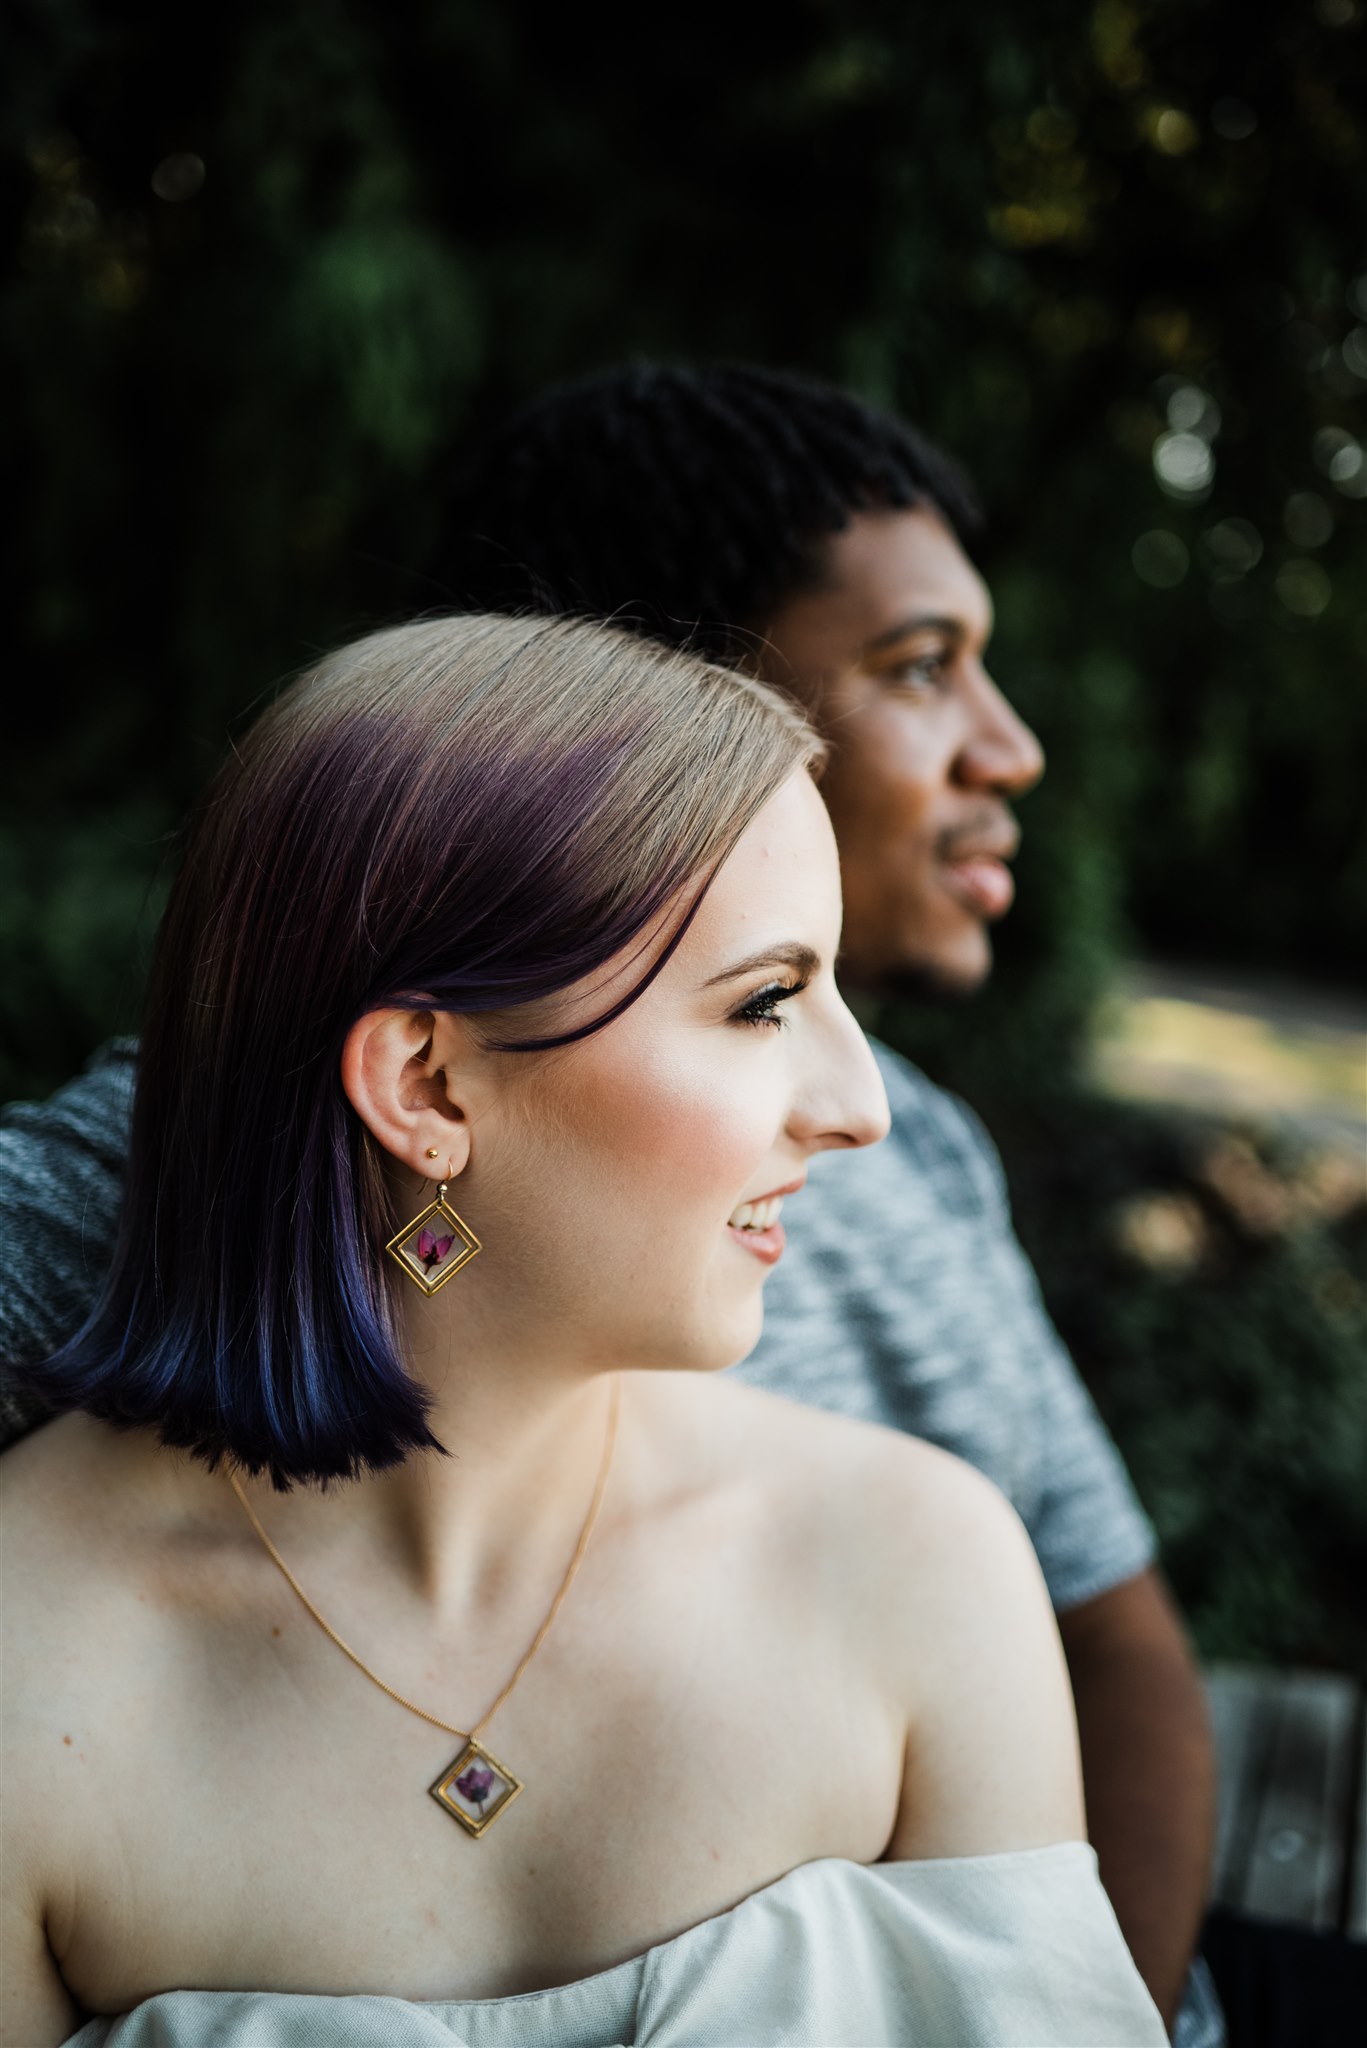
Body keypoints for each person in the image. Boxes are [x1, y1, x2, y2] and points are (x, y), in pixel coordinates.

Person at [0, 366, 1219, 2041]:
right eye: (766, 1000)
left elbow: (1121, 1646)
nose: (860, 1110)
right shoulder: (40, 1658)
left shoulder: (924, 1554)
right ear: (426, 1087)